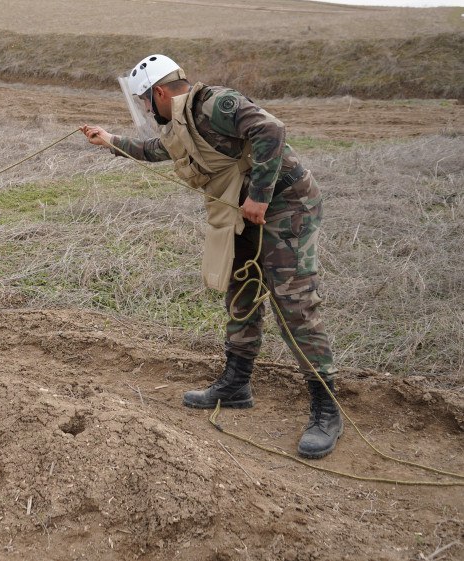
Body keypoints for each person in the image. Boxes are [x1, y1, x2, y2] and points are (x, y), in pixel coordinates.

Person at [80, 54, 342, 459]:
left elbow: (271, 130)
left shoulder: (216, 104)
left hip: (287, 204)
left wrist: (260, 195)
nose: (148, 111)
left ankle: (326, 408)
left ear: (161, 93)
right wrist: (110, 140)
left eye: (147, 102)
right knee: (241, 290)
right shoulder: (181, 123)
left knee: (294, 303)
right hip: (241, 211)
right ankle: (236, 384)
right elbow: (158, 150)